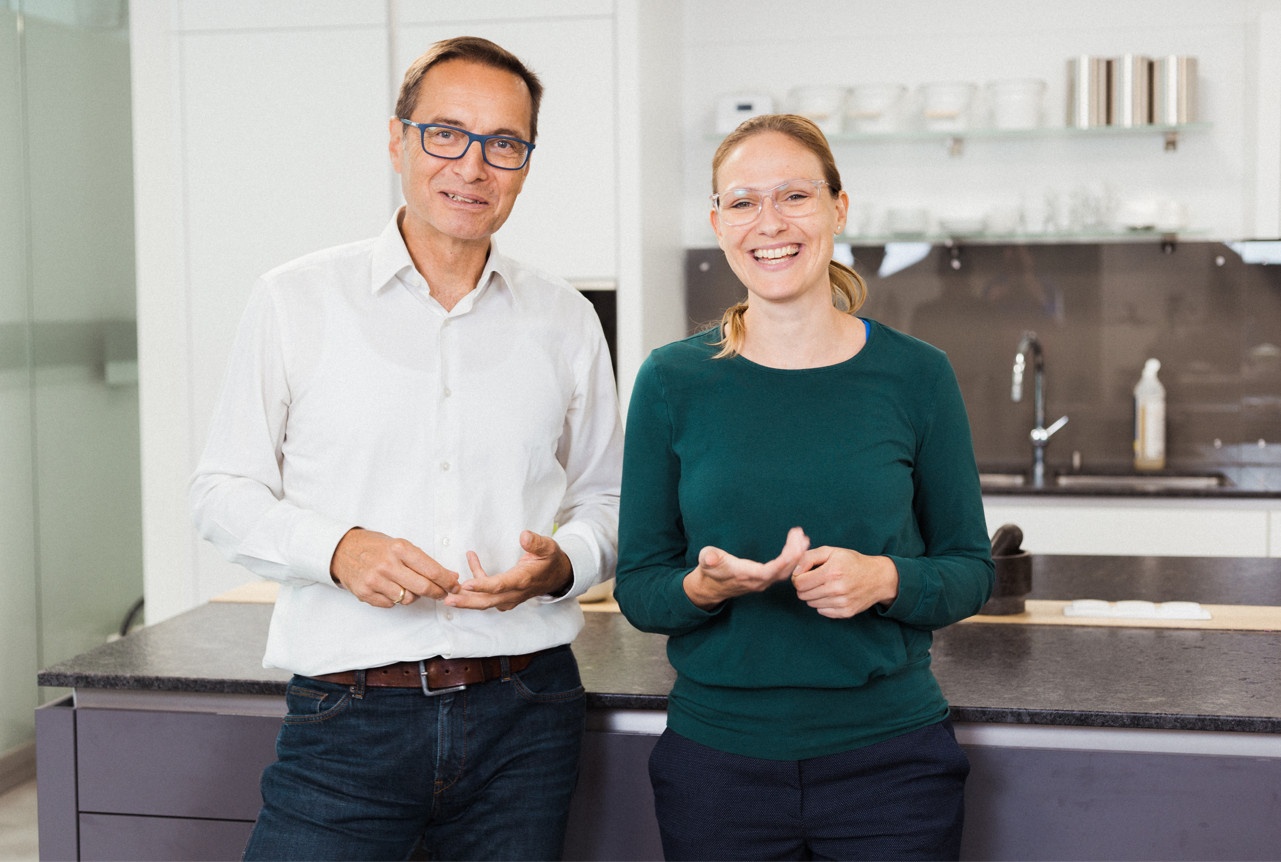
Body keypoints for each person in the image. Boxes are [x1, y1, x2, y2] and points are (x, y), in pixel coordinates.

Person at [190, 36, 623, 861]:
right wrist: (337, 549)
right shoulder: (294, 299)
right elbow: (220, 490)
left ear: (526, 163)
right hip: (346, 719)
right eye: (445, 134)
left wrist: (562, 564)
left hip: (526, 715)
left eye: (503, 143)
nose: (472, 166)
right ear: (397, 141)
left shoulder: (565, 318)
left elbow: (608, 497)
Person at [613, 113, 994, 862]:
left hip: (892, 767)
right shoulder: (670, 380)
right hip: (716, 770)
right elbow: (640, 588)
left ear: (837, 208)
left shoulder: (917, 374)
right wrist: (702, 588)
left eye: (794, 195)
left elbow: (969, 569)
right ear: (718, 224)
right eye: (743, 201)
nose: (770, 223)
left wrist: (883, 578)